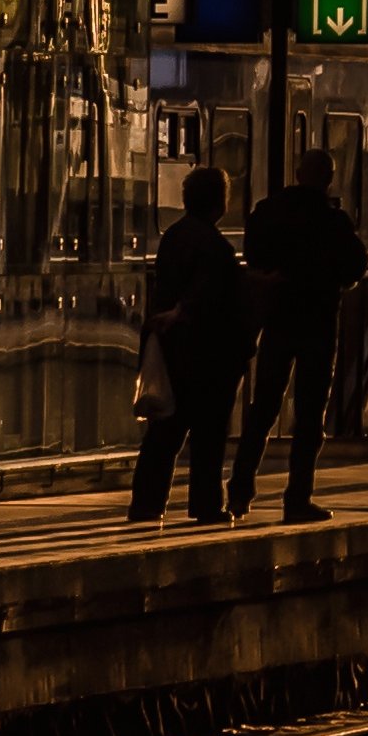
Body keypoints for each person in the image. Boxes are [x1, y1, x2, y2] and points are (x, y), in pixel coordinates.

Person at [223, 167, 368, 524]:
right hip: (318, 323)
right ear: (327, 180)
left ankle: (240, 491)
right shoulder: (332, 220)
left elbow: (253, 257)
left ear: (296, 174)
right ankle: (297, 499)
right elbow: (356, 264)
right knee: (310, 415)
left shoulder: (266, 211)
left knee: (263, 408)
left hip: (278, 320)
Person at [126, 167, 248, 527]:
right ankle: (206, 504)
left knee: (165, 431)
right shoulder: (216, 247)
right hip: (208, 353)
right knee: (209, 435)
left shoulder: (173, 237)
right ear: (221, 202)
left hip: (171, 349)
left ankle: (146, 503)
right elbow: (211, 295)